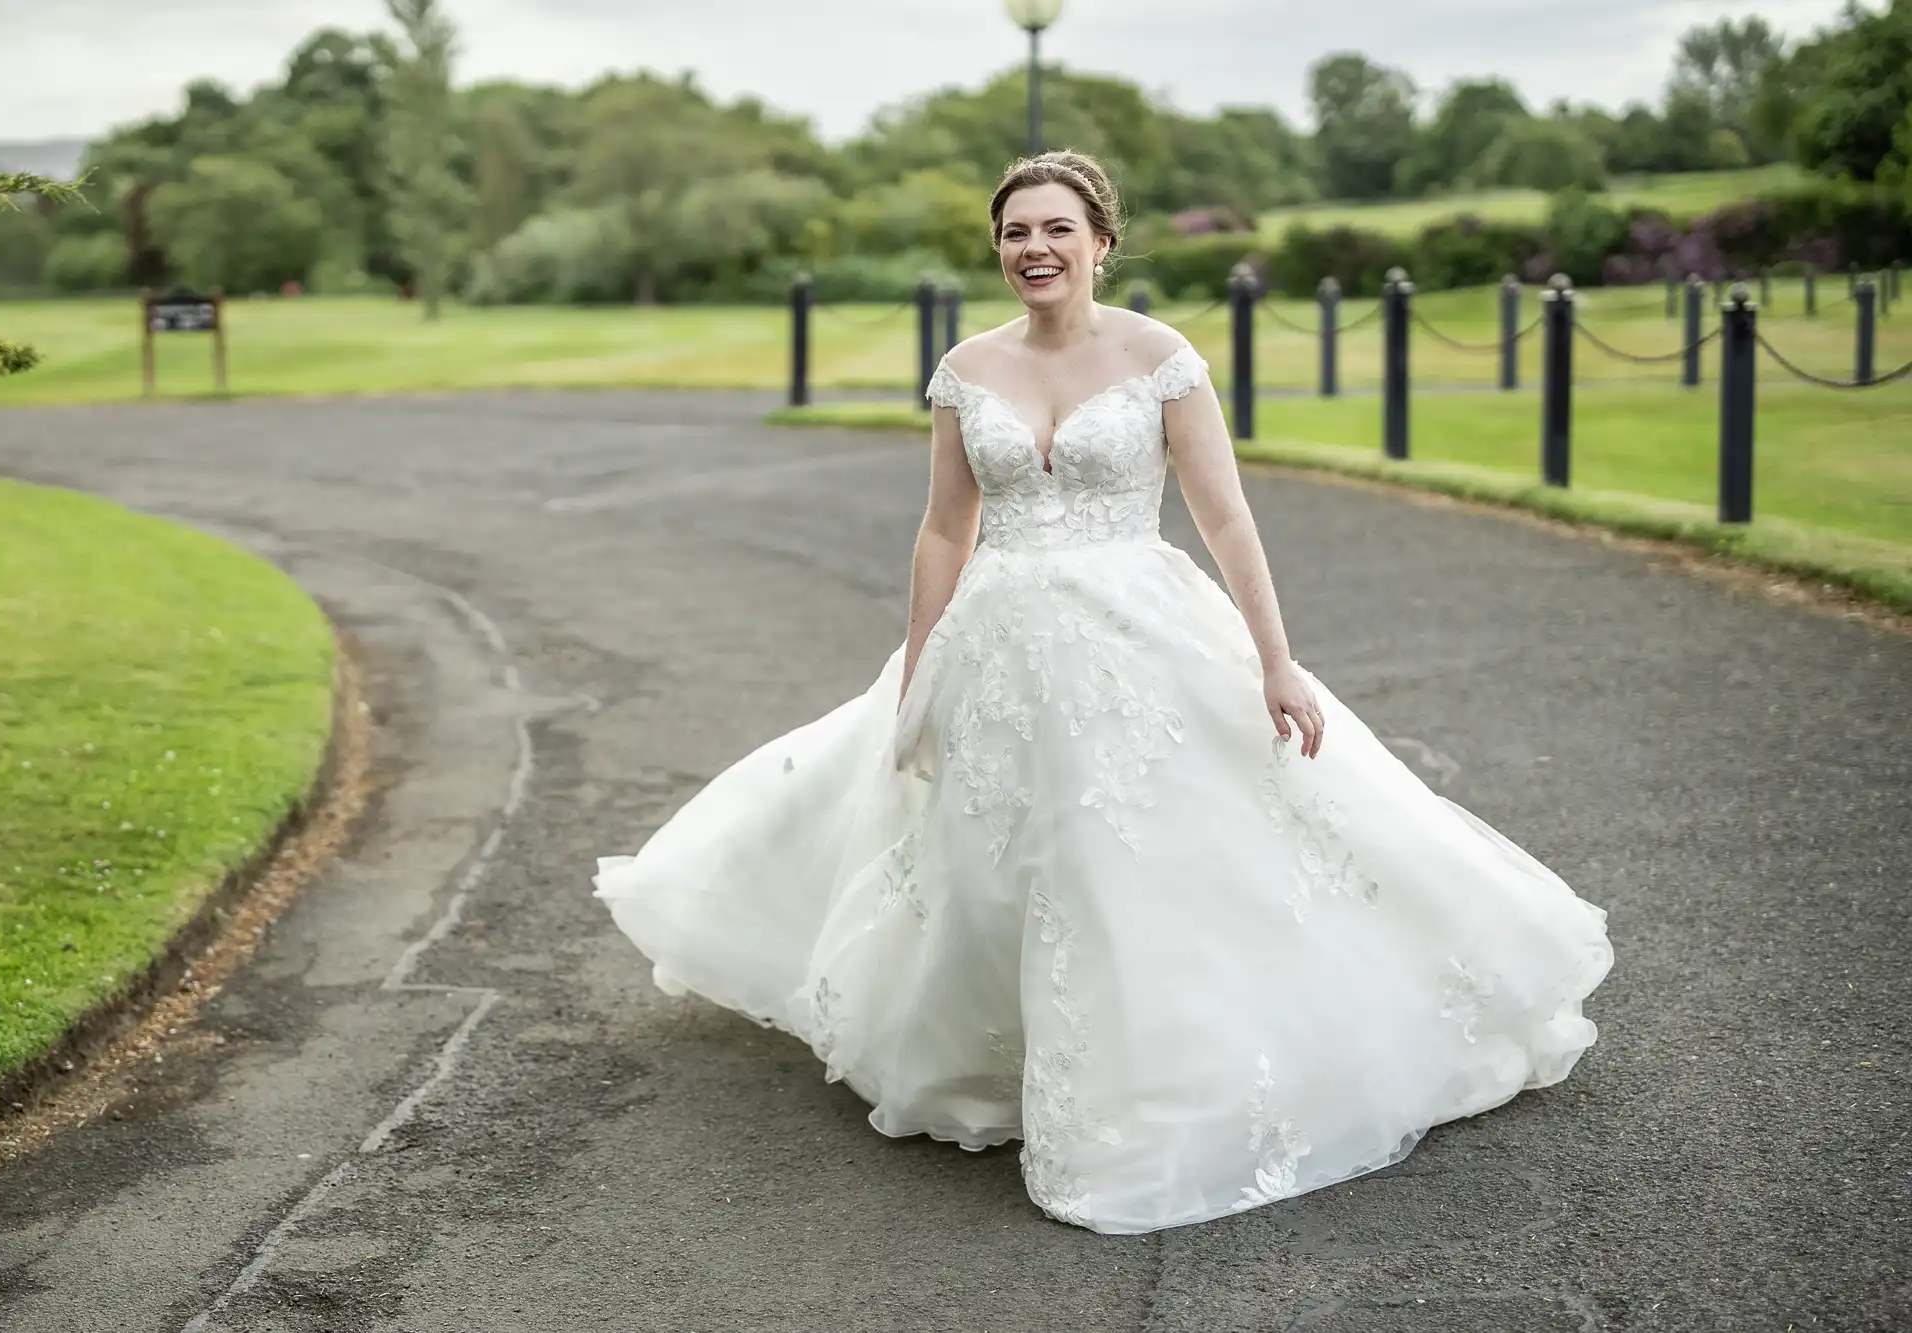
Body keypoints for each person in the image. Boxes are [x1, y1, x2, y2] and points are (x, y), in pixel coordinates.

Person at [594, 151, 1613, 1235]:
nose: (1031, 248)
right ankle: (1005, 1063)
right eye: (1012, 232)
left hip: (1137, 631)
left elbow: (1223, 517)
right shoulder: (965, 368)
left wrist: (1275, 659)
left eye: (1053, 229)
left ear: (1100, 241)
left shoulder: (1159, 357)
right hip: (996, 644)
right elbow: (945, 528)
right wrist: (917, 667)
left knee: (1110, 852)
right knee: (997, 865)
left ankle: (1145, 1092)